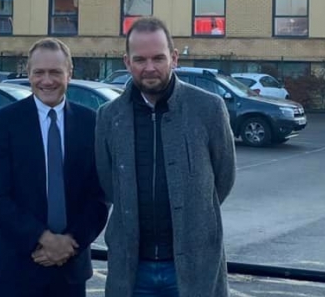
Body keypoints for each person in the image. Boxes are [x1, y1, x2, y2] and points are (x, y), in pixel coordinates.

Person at [95, 16, 236, 297]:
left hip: (193, 267)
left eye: (158, 58)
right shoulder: (109, 117)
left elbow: (223, 178)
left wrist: (193, 214)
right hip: (132, 270)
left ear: (173, 58)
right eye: (140, 59)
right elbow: (108, 183)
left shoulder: (208, 108)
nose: (149, 68)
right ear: (127, 62)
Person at [0, 37, 109, 297]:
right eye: (39, 72)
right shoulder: (4, 122)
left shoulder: (91, 123)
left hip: (70, 270)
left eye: (55, 72)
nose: (47, 80)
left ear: (69, 74)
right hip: (14, 269)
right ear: (28, 74)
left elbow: (99, 197)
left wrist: (68, 245)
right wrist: (44, 239)